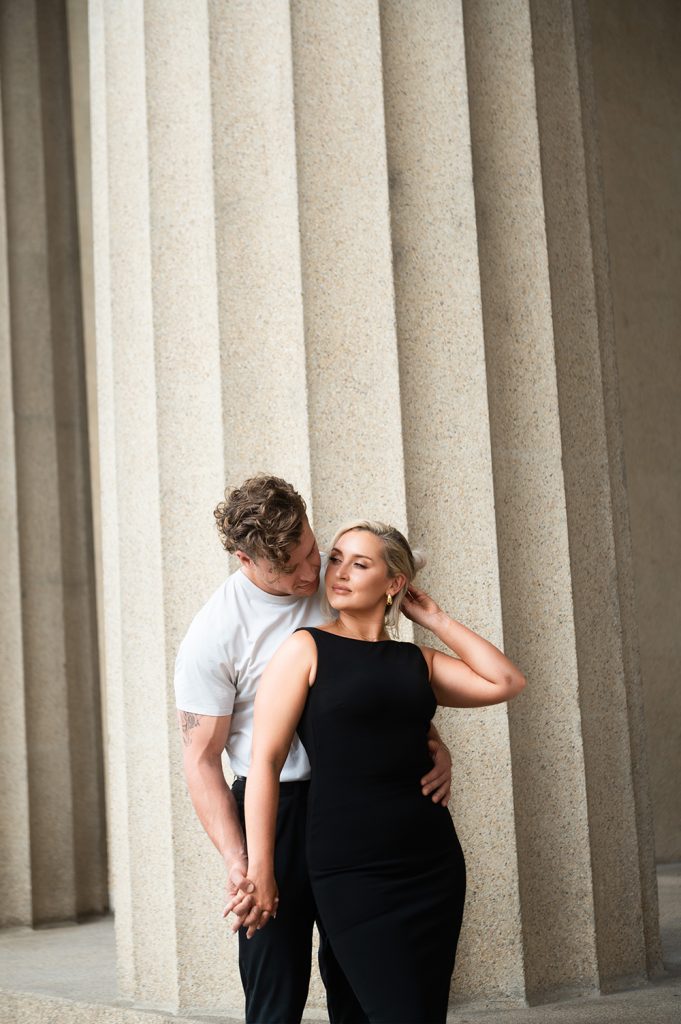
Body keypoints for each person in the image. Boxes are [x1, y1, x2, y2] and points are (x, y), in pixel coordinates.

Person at [174, 477, 454, 1024]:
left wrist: (432, 741)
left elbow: (375, 680)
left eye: (311, 552)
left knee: (358, 983)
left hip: (353, 808)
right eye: (290, 570)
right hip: (271, 812)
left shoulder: (335, 581)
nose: (311, 575)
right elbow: (201, 759)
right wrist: (244, 863)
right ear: (245, 561)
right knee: (275, 987)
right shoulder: (213, 635)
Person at [239, 520, 526, 1024]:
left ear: (394, 583)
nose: (340, 572)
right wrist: (261, 868)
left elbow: (505, 680)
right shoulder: (304, 649)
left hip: (430, 864)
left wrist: (435, 617)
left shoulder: (416, 660)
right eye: (336, 558)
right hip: (350, 870)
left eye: (360, 563)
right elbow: (264, 761)